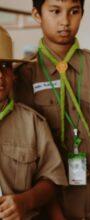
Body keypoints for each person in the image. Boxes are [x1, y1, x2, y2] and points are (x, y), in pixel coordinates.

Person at [14, 0, 90, 218]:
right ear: (37, 14)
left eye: (74, 12)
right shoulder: (24, 75)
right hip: (53, 197)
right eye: (55, 11)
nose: (65, 21)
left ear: (82, 13)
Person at [0, 25, 67, 220]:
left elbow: (52, 180)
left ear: (13, 74)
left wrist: (24, 201)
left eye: (5, 67)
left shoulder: (32, 122)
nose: (0, 76)